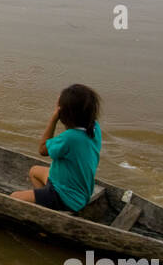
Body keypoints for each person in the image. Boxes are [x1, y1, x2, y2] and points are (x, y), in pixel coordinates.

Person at [10, 84, 102, 213]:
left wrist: (53, 119)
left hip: (66, 196)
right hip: (81, 191)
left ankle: (48, 212)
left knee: (14, 197)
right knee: (34, 171)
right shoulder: (94, 128)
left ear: (64, 115)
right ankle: (46, 207)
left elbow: (42, 149)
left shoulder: (70, 138)